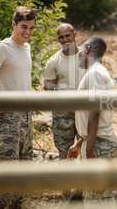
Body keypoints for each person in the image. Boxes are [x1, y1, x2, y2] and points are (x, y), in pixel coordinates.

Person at [0, 6, 36, 208]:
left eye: (32, 28)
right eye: (24, 27)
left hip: (27, 118)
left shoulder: (26, 48)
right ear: (14, 24)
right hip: (9, 118)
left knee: (24, 174)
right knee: (7, 175)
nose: (27, 32)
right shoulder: (2, 47)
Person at [67, 36, 117, 205]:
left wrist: (89, 148)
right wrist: (82, 142)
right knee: (100, 198)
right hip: (96, 141)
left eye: (81, 49)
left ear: (88, 49)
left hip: (99, 145)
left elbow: (95, 112)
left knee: (95, 201)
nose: (79, 53)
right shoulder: (96, 72)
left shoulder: (96, 73)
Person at [44, 23, 85, 160]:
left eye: (68, 35)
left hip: (85, 110)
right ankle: (66, 181)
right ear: (58, 39)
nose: (65, 39)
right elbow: (49, 92)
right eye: (61, 37)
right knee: (65, 154)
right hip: (62, 115)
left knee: (88, 150)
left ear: (75, 34)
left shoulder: (88, 57)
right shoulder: (53, 62)